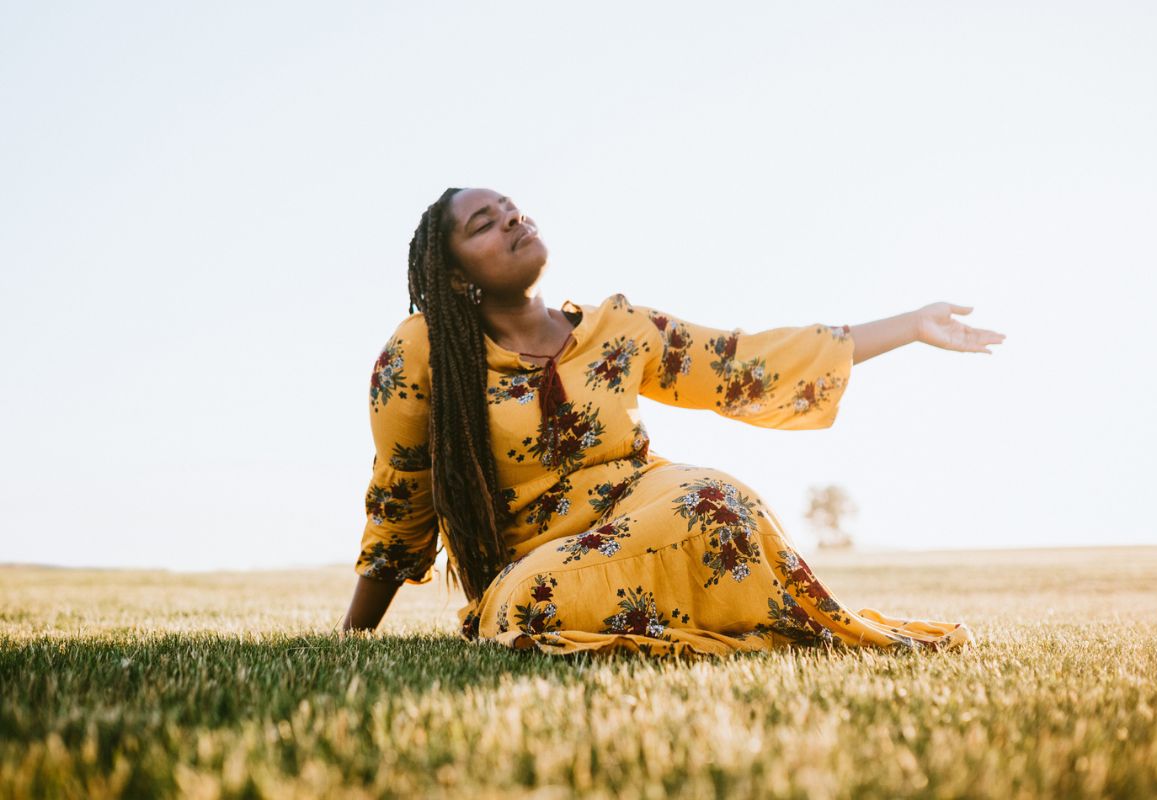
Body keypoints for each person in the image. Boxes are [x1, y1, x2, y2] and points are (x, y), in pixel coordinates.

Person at [339, 187, 1005, 657]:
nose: (514, 221)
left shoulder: (619, 328)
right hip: (536, 562)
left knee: (719, 502)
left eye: (516, 211)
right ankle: (710, 626)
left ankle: (743, 624)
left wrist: (912, 327)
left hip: (643, 505)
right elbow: (402, 496)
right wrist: (353, 637)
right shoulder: (422, 352)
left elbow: (745, 362)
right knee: (529, 605)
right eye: (485, 223)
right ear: (455, 277)